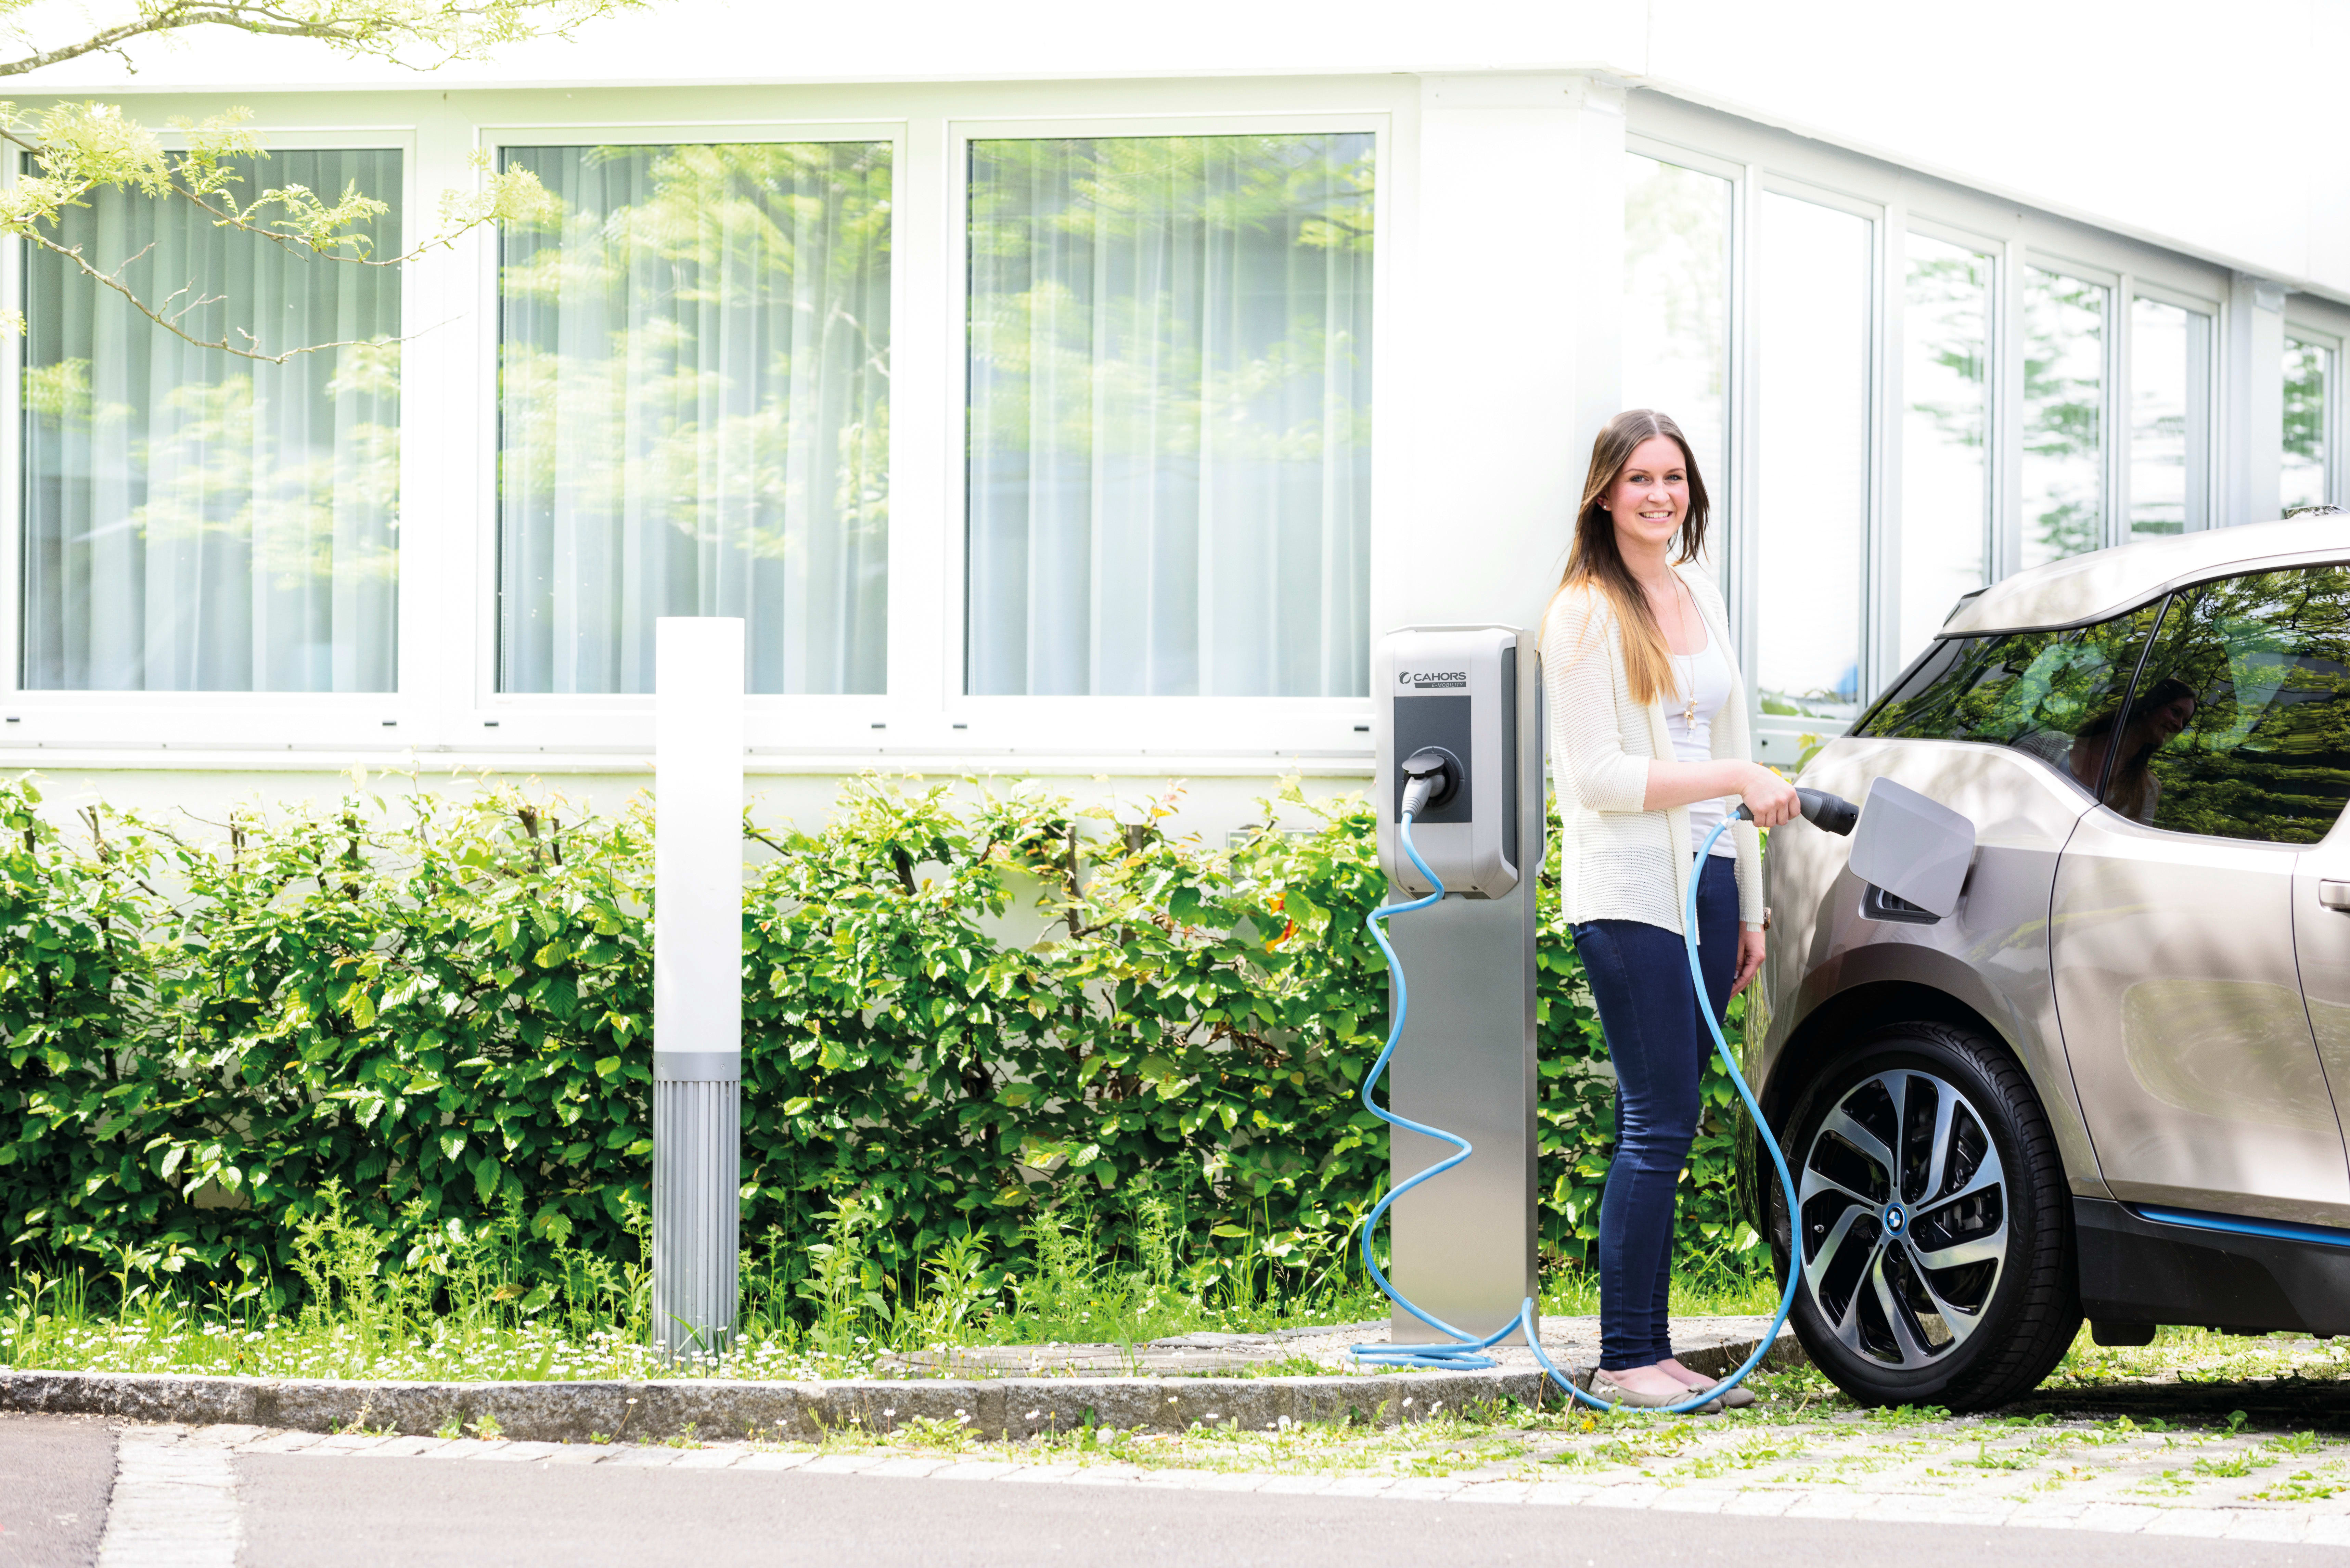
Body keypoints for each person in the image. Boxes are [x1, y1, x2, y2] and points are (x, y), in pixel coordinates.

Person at [1540, 409, 1798, 1411]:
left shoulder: (1696, 589)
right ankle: (1625, 1358)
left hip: (1708, 881)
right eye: (1639, 479)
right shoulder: (1582, 614)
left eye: (1674, 479)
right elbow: (1600, 776)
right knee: (1657, 1120)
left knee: (1676, 1121)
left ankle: (1653, 1351)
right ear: (1604, 492)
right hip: (1631, 892)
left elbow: (1732, 730)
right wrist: (1731, 778)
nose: (1659, 496)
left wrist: (1751, 907)